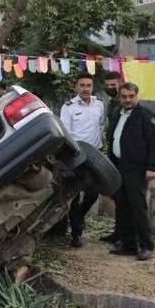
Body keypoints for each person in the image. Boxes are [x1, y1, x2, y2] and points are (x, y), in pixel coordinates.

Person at [107, 82, 155, 261]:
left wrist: (152, 167)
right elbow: (113, 138)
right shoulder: (117, 114)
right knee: (122, 206)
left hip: (137, 169)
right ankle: (128, 244)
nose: (127, 100)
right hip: (119, 167)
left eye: (131, 96)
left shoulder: (146, 116)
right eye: (124, 97)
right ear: (119, 97)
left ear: (137, 96)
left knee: (137, 207)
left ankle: (146, 245)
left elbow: (154, 143)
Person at [60, 73, 106, 248]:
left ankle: (78, 218)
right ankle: (76, 233)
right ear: (76, 87)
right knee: (74, 194)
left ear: (92, 87)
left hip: (96, 155)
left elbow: (101, 126)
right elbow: (65, 133)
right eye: (82, 85)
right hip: (76, 155)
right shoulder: (68, 107)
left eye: (89, 85)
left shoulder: (99, 105)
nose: (86, 88)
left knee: (93, 193)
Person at [98, 71, 124, 244]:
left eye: (112, 85)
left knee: (124, 197)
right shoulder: (111, 103)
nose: (109, 88)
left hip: (124, 155)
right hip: (113, 152)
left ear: (119, 82)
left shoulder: (124, 101)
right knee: (117, 195)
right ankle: (118, 232)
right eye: (107, 85)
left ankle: (125, 234)